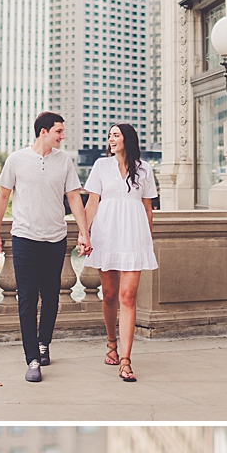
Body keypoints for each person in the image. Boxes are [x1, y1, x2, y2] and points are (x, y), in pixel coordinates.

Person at [0, 113, 88, 384]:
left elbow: (74, 199)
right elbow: (3, 197)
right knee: (28, 299)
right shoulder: (16, 160)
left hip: (55, 239)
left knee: (52, 297)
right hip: (24, 239)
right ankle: (32, 358)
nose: (62, 136)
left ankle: (44, 343)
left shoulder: (64, 160)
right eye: (59, 131)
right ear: (43, 132)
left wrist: (84, 231)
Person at [80, 121, 158, 385]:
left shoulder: (145, 169)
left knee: (128, 296)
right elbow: (92, 203)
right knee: (111, 294)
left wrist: (148, 239)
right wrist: (84, 233)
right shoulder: (101, 166)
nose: (111, 139)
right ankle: (111, 342)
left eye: (116, 135)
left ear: (128, 139)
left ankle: (125, 360)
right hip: (106, 233)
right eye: (110, 136)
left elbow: (147, 208)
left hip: (134, 235)